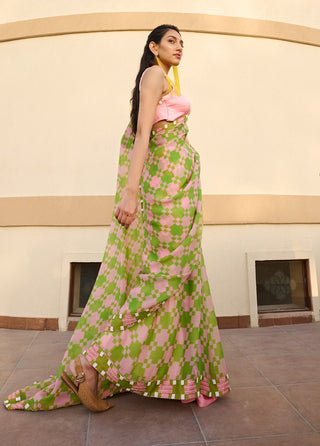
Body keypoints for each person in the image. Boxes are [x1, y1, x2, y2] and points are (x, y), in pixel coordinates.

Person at [4, 24, 230, 412]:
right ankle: (91, 364)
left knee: (175, 282)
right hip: (164, 197)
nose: (179, 48)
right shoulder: (155, 74)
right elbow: (142, 135)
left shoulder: (165, 80)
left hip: (176, 192)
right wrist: (130, 193)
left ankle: (176, 373)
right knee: (163, 281)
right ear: (153, 46)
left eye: (182, 43)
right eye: (171, 41)